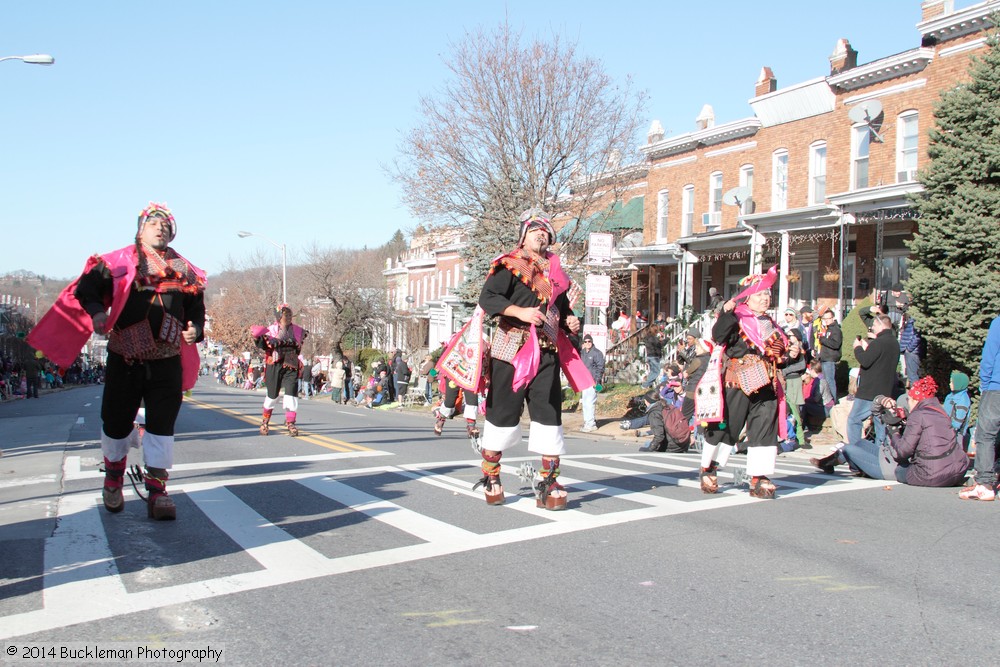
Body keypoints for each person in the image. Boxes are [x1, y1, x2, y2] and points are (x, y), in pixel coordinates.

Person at [27, 202, 206, 520]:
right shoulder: (118, 262)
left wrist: (195, 328)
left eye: (165, 224)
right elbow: (87, 287)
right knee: (116, 422)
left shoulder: (184, 269)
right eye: (153, 222)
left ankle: (158, 491)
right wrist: (97, 312)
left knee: (162, 426)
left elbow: (194, 307)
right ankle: (113, 478)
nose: (160, 227)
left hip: (167, 359)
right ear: (140, 228)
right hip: (126, 357)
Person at [471, 208, 591, 509]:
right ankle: (492, 475)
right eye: (535, 230)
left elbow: (561, 310)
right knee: (502, 416)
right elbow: (489, 299)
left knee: (549, 418)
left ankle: (549, 482)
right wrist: (519, 312)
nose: (541, 234)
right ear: (523, 236)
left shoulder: (556, 273)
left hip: (547, 354)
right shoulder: (508, 265)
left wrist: (571, 322)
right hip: (511, 351)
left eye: (546, 231)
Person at [700, 266, 788, 499]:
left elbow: (781, 353)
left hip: (766, 384)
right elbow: (719, 336)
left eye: (768, 294)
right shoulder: (736, 316)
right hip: (738, 382)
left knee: (764, 429)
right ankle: (710, 467)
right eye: (760, 294)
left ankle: (760, 477)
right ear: (747, 296)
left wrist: (794, 353)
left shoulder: (771, 324)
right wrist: (727, 312)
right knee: (728, 427)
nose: (765, 298)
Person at [810, 377, 969, 486]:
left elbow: (902, 452)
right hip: (949, 469)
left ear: (915, 399)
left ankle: (844, 464)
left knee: (849, 448)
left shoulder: (919, 415)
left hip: (924, 472)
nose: (908, 403)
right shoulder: (940, 412)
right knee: (859, 443)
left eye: (909, 400)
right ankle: (831, 463)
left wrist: (894, 430)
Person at [960, 314, 1000, 501]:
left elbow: (989, 356)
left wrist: (984, 383)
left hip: (996, 387)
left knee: (986, 435)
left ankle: (985, 484)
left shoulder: (998, 323)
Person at [847, 312, 901, 450]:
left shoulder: (878, 343)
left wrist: (857, 347)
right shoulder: (894, 343)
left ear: (882, 325)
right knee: (880, 424)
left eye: (875, 325)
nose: (872, 327)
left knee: (854, 420)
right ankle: (880, 455)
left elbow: (865, 361)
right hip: (885, 391)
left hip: (869, 391)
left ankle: (855, 453)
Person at [251, 305, 308, 436]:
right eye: (285, 315)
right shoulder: (271, 330)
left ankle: (291, 423)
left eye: (289, 315)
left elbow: (298, 347)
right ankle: (265, 422)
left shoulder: (298, 331)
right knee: (272, 396)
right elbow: (264, 346)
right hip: (275, 364)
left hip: (291, 363)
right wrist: (257, 338)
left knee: (291, 394)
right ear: (279, 317)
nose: (288, 317)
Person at [782, 328, 809, 449]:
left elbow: (801, 365)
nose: (788, 337)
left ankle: (800, 438)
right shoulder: (785, 348)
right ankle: (793, 436)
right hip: (786, 381)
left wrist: (785, 371)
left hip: (794, 380)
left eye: (791, 335)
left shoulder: (800, 350)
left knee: (795, 410)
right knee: (789, 409)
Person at [579, 333, 605, 433]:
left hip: (593, 382)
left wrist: (597, 381)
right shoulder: (583, 353)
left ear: (592, 342)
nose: (587, 343)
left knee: (590, 402)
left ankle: (591, 424)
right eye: (585, 342)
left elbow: (600, 368)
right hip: (584, 381)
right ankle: (587, 422)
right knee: (585, 403)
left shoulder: (597, 353)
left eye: (589, 341)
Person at [817, 306, 842, 402]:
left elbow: (836, 344)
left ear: (833, 318)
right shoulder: (828, 329)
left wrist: (823, 340)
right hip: (825, 358)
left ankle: (833, 401)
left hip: (830, 359)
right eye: (825, 318)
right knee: (825, 382)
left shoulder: (836, 330)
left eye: (828, 318)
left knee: (830, 381)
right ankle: (828, 401)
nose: (826, 320)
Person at [941, 371, 971, 448]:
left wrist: (952, 427)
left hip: (956, 432)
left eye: (952, 382)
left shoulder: (963, 399)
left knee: (956, 450)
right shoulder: (950, 395)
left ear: (958, 383)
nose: (949, 384)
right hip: (946, 428)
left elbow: (959, 418)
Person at [899, 315, 922, 388]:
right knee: (911, 376)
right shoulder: (910, 319)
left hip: (912, 352)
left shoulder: (916, 319)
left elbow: (917, 337)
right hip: (910, 351)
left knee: (913, 377)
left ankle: (916, 396)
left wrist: (909, 349)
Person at [640, 324, 662, 388]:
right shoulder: (653, 338)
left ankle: (648, 384)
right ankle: (645, 385)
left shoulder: (648, 337)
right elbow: (659, 345)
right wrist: (666, 339)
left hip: (650, 356)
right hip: (654, 356)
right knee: (656, 372)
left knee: (652, 371)